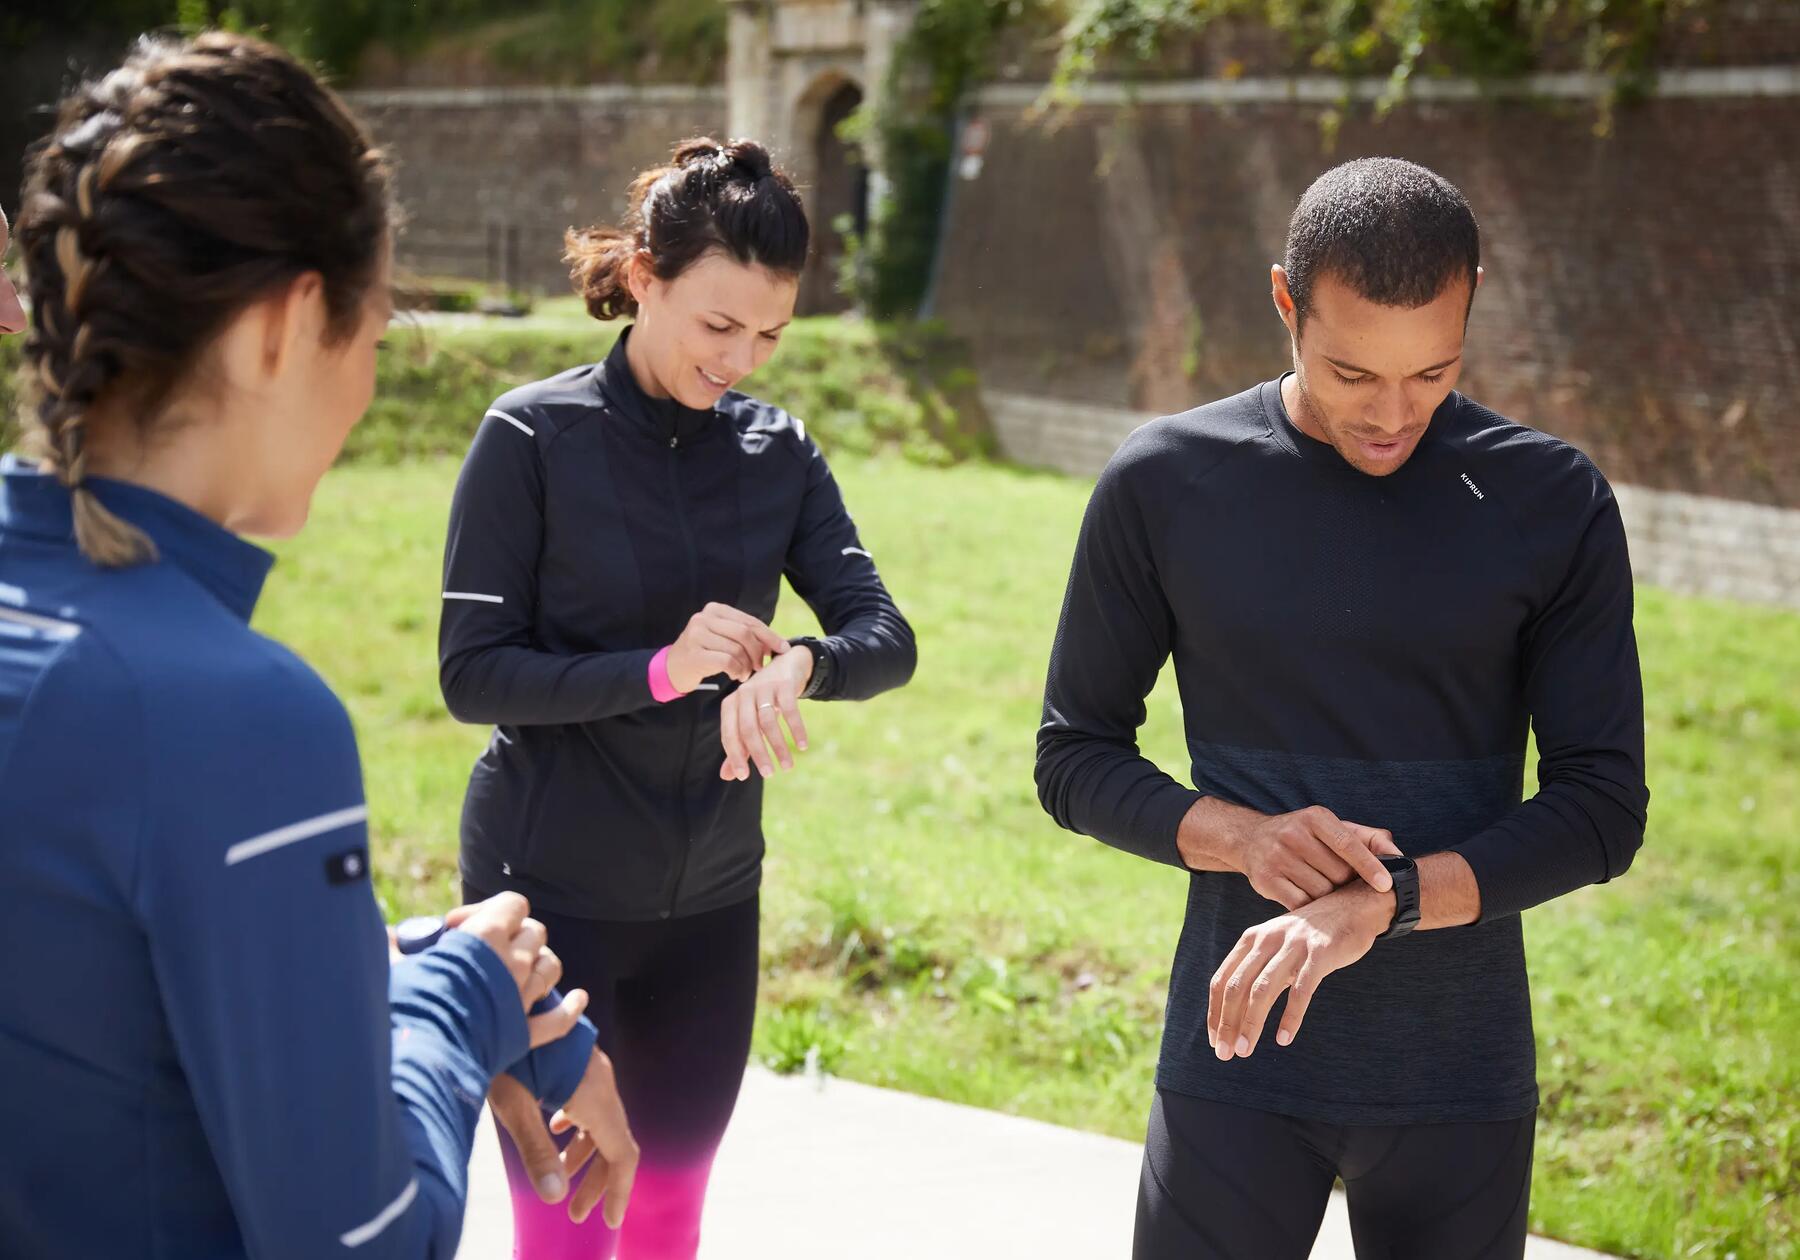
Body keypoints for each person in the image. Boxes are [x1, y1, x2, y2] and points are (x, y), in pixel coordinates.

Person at [0, 33, 636, 1258]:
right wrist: (463, 1008)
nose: (367, 387)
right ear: (287, 326)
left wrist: (410, 970)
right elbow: (367, 1240)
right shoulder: (238, 716)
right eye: (375, 332)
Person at [1036, 157, 1648, 1259]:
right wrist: (1245, 837)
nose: (1393, 415)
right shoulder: (1166, 482)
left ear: (1472, 298)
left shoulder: (1551, 502)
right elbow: (1074, 755)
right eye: (1352, 373)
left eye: (1434, 373)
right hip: (1234, 1064)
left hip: (1460, 1076)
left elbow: (1604, 807)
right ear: (1285, 301)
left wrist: (1384, 902)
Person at [438, 136, 917, 1258]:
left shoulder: (776, 451)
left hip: (711, 901)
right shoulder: (530, 436)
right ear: (643, 277)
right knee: (565, 1220)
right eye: (718, 325)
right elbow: (472, 675)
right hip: (545, 898)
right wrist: (659, 671)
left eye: (769, 333)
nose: (743, 357)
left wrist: (805, 660)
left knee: (666, 1218)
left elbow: (884, 635)